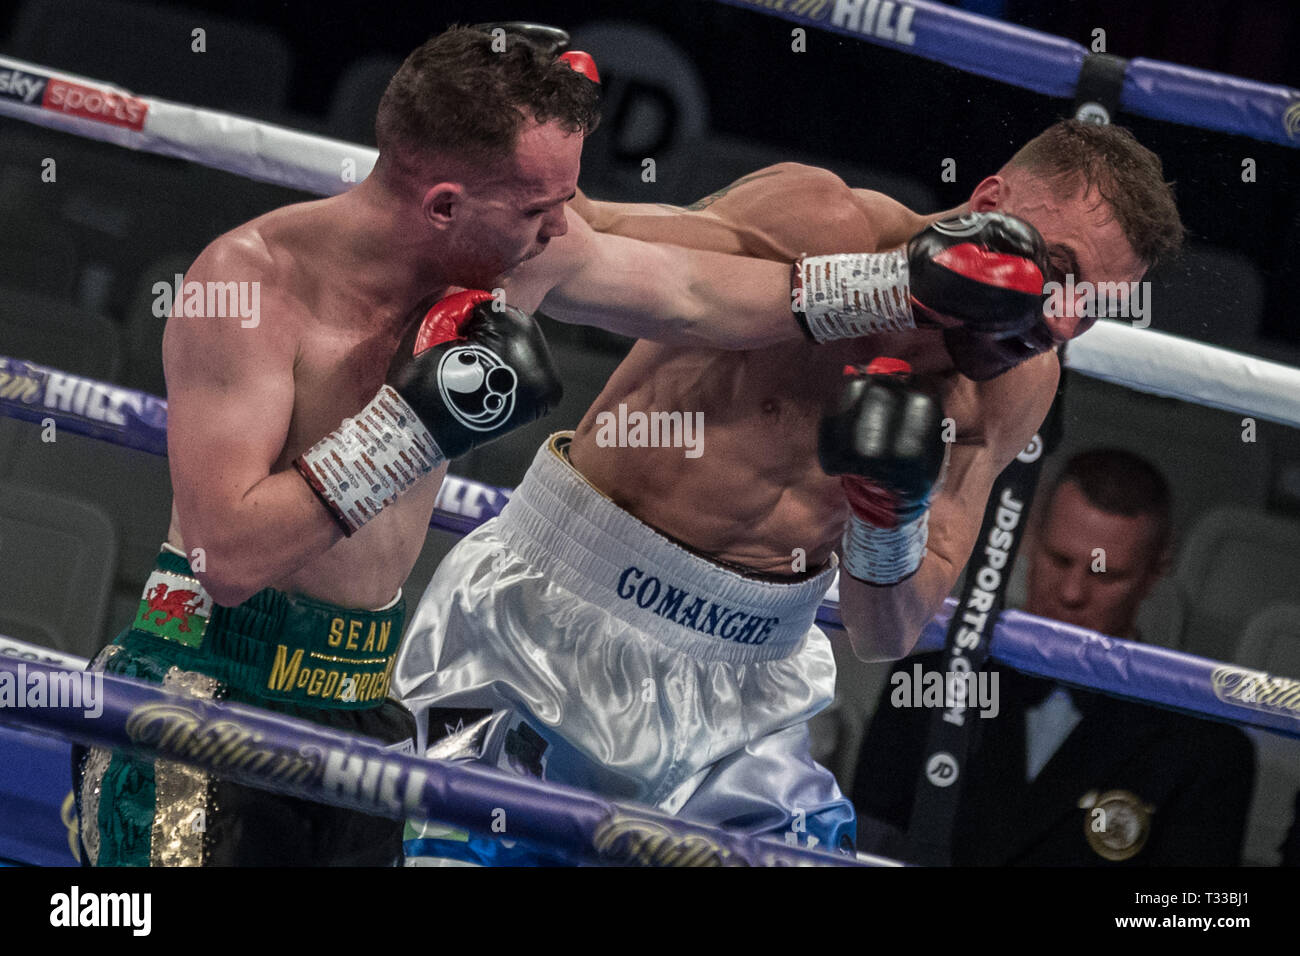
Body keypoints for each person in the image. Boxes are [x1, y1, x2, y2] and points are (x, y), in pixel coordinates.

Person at [71, 24, 945, 867]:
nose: (568, 230)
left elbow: (700, 294)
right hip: (207, 693)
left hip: (361, 707)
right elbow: (226, 555)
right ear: (446, 205)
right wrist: (415, 426)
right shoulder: (251, 283)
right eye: (541, 207)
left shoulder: (507, 265)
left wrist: (915, 283)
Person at [395, 119, 1184, 863]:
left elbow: (887, 633)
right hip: (547, 626)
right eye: (1067, 272)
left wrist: (888, 518)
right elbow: (576, 248)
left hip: (746, 692)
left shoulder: (1018, 385)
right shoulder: (820, 220)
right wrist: (516, 139)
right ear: (987, 209)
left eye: (1098, 307)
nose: (1067, 319)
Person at [852, 449, 1256, 865]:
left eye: (1106, 575)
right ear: (1028, 539)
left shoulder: (1207, 750)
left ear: (1156, 573)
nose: (1072, 593)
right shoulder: (929, 682)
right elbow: (867, 853)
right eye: (1059, 560)